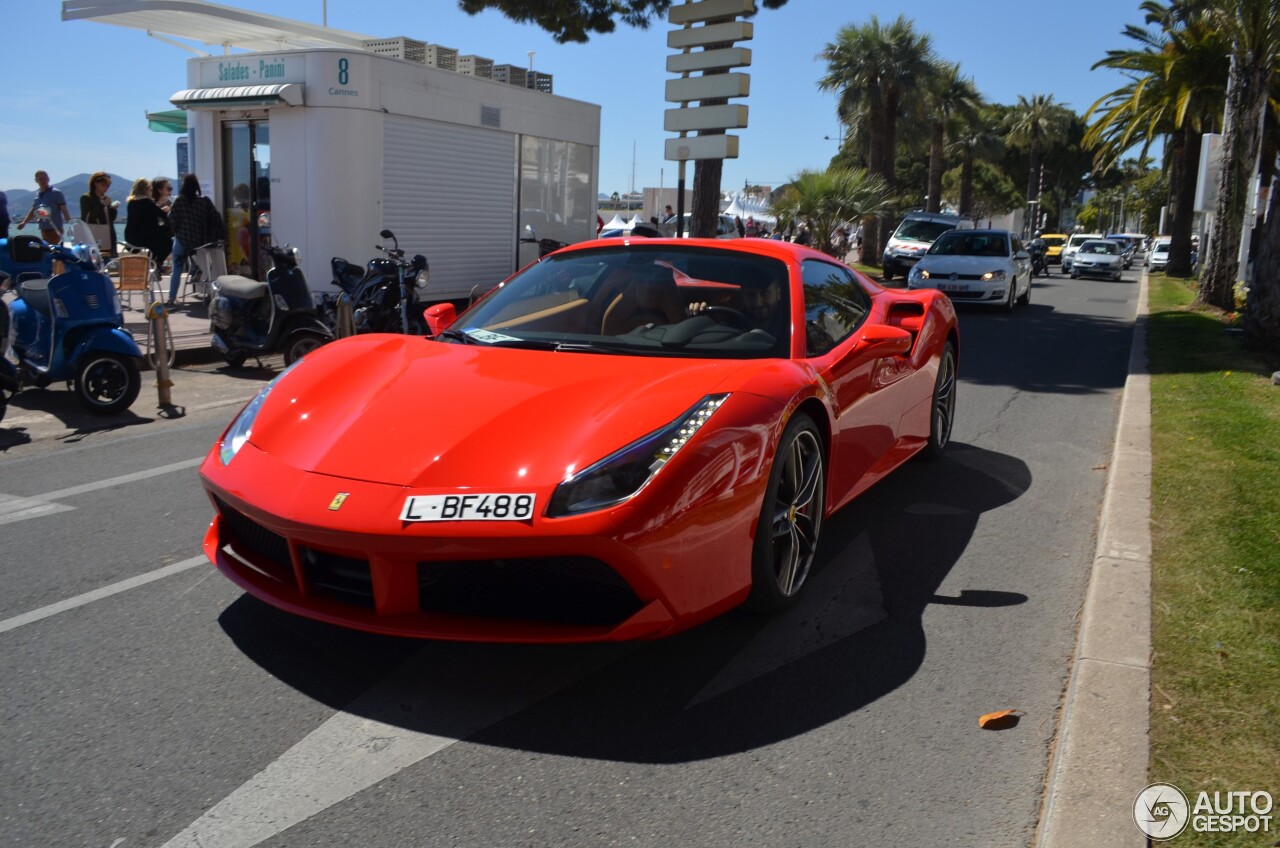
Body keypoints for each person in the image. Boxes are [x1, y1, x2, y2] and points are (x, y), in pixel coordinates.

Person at [166, 173, 223, 307]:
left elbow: (172, 220)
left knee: (177, 268)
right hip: (201, 242)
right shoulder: (204, 201)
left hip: (183, 240)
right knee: (201, 259)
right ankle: (196, 267)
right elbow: (216, 218)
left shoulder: (179, 201)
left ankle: (172, 298)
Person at [123, 178, 172, 275]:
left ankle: (152, 264)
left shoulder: (131, 203)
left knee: (157, 239)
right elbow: (163, 215)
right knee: (169, 241)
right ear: (146, 190)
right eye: (150, 190)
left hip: (131, 238)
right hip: (144, 238)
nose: (151, 192)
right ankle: (157, 263)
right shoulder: (147, 201)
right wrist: (168, 211)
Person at [16, 170, 72, 244]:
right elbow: (33, 210)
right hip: (44, 228)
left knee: (52, 248)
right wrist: (24, 222)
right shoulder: (37, 195)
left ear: (48, 179)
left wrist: (71, 224)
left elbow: (64, 209)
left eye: (44, 178)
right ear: (36, 181)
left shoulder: (56, 193)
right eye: (40, 179)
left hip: (55, 228)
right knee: (46, 250)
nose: (43, 181)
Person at [81, 171, 119, 257]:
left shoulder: (106, 198)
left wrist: (113, 209)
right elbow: (88, 217)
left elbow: (110, 219)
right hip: (94, 235)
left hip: (108, 235)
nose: (106, 188)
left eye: (108, 186)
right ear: (95, 183)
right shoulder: (86, 198)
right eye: (104, 185)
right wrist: (102, 205)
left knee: (110, 262)